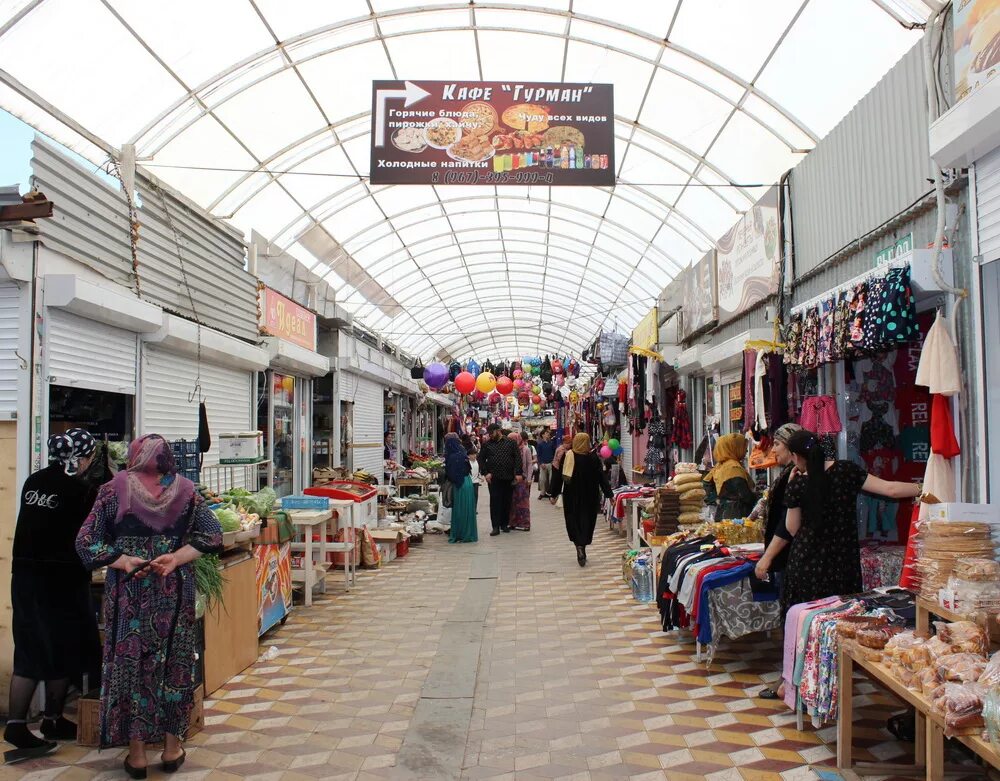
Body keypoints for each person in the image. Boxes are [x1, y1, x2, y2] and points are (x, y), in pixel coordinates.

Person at [76, 434, 222, 778]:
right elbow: (213, 535)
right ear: (168, 459)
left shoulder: (113, 489)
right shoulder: (186, 490)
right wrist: (175, 558)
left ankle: (138, 755)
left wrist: (123, 560)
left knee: (131, 666)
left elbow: (85, 542)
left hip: (129, 595)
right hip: (173, 592)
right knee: (174, 664)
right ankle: (172, 749)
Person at [5, 430, 102, 758]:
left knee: (38, 646)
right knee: (59, 647)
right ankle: (18, 726)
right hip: (61, 579)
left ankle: (52, 720)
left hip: (25, 576)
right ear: (84, 456)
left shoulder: (34, 481)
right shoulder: (81, 490)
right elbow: (88, 536)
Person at [754, 429, 922, 618]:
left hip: (808, 563)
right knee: (845, 618)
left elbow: (792, 529)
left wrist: (792, 488)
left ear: (796, 456)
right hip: (843, 562)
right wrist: (925, 488)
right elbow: (890, 489)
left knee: (809, 622)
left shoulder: (798, 484)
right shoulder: (846, 470)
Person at [745, 422, 801, 700]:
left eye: (777, 444)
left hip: (790, 555)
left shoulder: (796, 477)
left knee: (790, 618)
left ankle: (788, 682)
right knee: (787, 617)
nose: (773, 449)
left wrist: (767, 557)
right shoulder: (788, 474)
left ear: (791, 447)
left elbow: (787, 524)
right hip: (786, 555)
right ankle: (787, 679)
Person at [549, 433, 613, 566]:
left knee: (573, 520)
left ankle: (578, 545)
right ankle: (582, 546)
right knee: (587, 521)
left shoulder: (568, 456)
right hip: (590, 497)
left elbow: (558, 476)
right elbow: (602, 478)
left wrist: (553, 494)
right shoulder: (593, 458)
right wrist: (609, 495)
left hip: (571, 496)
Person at [479, 424, 523, 536]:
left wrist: (518, 473)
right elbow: (481, 459)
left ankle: (504, 524)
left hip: (508, 477)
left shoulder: (510, 443)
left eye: (491, 433)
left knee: (506, 501)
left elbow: (517, 458)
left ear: (498, 431)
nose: (490, 435)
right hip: (494, 478)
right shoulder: (487, 444)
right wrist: (485, 473)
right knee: (495, 502)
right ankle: (495, 526)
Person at [702, 433, 756, 520]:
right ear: (733, 448)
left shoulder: (720, 466)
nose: (746, 451)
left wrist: (718, 501)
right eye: (742, 447)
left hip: (722, 513)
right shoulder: (733, 468)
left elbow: (706, 486)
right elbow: (745, 495)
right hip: (736, 515)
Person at [444, 433, 478, 544]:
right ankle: (468, 534)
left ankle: (459, 534)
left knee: (459, 511)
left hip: (460, 485)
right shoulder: (462, 452)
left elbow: (451, 474)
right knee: (467, 510)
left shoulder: (452, 456)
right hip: (467, 482)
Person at [508, 432, 533, 531]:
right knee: (512, 502)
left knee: (523, 502)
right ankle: (512, 522)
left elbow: (529, 464)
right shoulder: (509, 450)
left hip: (522, 480)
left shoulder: (526, 449)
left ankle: (525, 523)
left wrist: (529, 478)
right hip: (511, 479)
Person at [535, 428, 556, 499]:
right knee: (542, 479)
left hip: (551, 463)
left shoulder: (552, 443)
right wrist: (541, 463)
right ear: (543, 435)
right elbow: (538, 455)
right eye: (547, 433)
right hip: (543, 464)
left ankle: (550, 493)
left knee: (551, 479)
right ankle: (542, 493)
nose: (548, 434)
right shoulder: (540, 444)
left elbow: (554, 453)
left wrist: (553, 460)